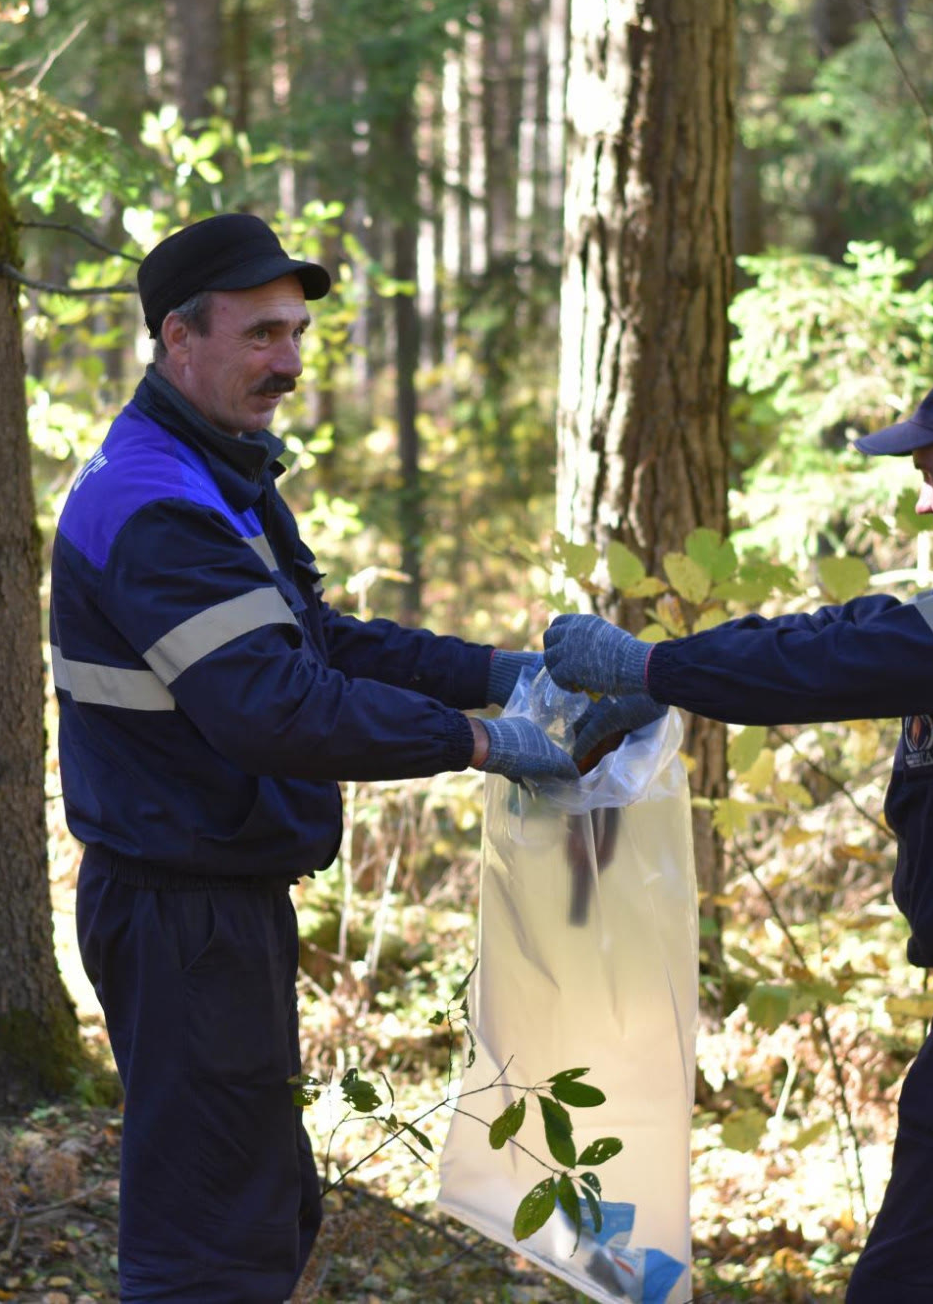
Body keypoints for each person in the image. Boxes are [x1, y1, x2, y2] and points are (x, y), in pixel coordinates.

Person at [542, 354, 933, 1302]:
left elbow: (845, 656)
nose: (925, 504)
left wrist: (651, 670)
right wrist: (667, 675)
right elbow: (873, 634)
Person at [49, 212, 574, 1300]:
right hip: (179, 909)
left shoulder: (214, 478)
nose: (287, 362)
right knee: (211, 1241)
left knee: (257, 1205)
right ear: (176, 338)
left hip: (212, 900)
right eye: (259, 335)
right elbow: (269, 706)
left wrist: (499, 672)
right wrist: (482, 741)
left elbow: (319, 642)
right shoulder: (154, 504)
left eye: (294, 334)